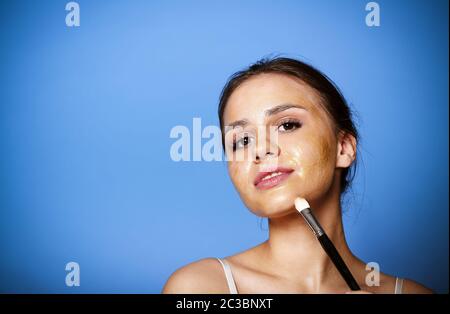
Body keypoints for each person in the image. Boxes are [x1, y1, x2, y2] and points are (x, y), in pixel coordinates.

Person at [162, 57, 433, 294]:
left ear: (343, 148)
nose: (261, 149)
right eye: (242, 140)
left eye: (287, 125)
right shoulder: (202, 287)